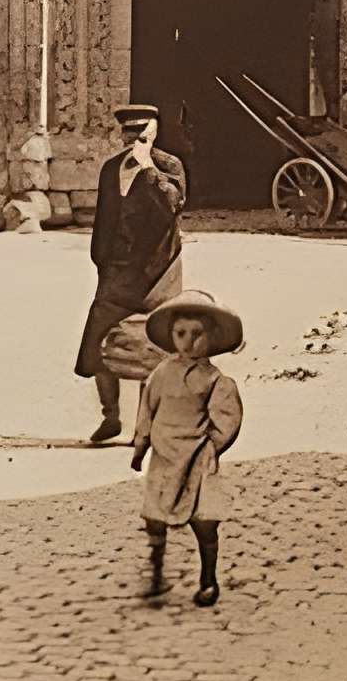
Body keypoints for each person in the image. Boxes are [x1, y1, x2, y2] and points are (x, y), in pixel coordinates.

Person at [74, 105, 186, 447]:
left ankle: (145, 425)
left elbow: (173, 205)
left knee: (150, 345)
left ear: (153, 132)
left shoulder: (170, 167)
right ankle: (110, 415)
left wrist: (149, 168)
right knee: (98, 336)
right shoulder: (111, 170)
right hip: (119, 269)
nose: (135, 139)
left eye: (143, 133)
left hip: (157, 269)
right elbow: (105, 217)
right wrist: (102, 260)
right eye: (129, 133)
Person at [131, 289, 244, 607]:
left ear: (212, 338)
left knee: (204, 521)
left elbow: (227, 421)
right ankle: (155, 574)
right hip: (164, 456)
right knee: (155, 517)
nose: (188, 341)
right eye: (180, 333)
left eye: (198, 334)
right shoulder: (161, 374)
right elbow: (147, 410)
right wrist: (141, 446)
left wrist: (210, 448)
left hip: (198, 458)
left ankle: (208, 579)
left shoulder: (216, 381)